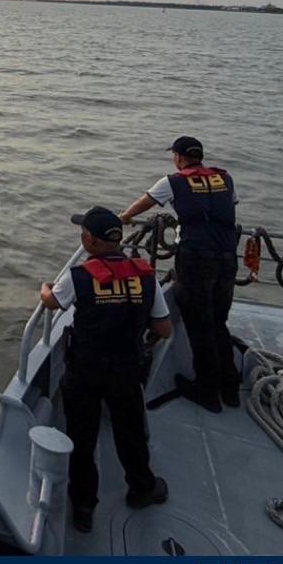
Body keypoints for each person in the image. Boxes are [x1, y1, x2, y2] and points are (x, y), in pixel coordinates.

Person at [40, 206, 171, 533]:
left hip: (84, 371)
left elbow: (52, 302)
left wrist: (44, 288)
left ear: (92, 242)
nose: (81, 236)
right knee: (130, 432)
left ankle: (84, 507)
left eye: (83, 232)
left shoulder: (79, 276)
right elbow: (164, 328)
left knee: (81, 438)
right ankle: (142, 488)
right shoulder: (145, 275)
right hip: (126, 370)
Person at [119, 136, 239, 413]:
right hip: (228, 256)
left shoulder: (173, 181)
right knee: (219, 321)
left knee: (200, 323)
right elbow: (227, 209)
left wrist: (124, 217)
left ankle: (207, 392)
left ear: (179, 157)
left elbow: (144, 203)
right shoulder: (225, 178)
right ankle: (230, 388)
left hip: (196, 258)